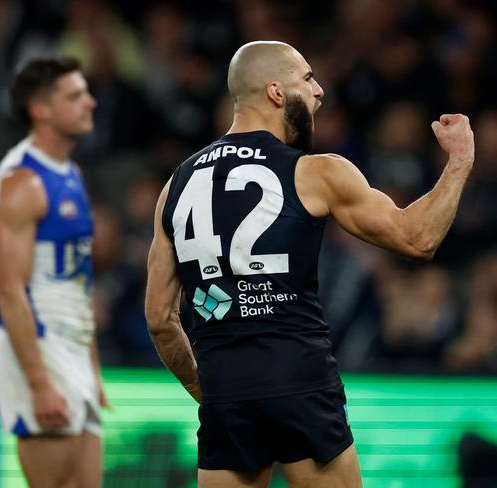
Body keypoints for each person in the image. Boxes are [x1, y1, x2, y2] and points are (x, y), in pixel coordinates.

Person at [145, 41, 474, 488]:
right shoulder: (314, 171)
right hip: (297, 379)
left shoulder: (177, 185)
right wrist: (458, 162)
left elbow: (160, 320)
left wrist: (207, 391)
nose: (319, 92)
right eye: (308, 79)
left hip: (226, 390)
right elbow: (417, 239)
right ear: (277, 93)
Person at [0, 56, 106, 488]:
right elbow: (10, 291)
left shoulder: (71, 174)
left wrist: (91, 366)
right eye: (74, 96)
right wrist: (38, 382)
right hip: (39, 345)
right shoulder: (19, 184)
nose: (89, 102)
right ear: (40, 110)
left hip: (72, 345)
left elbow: (79, 280)